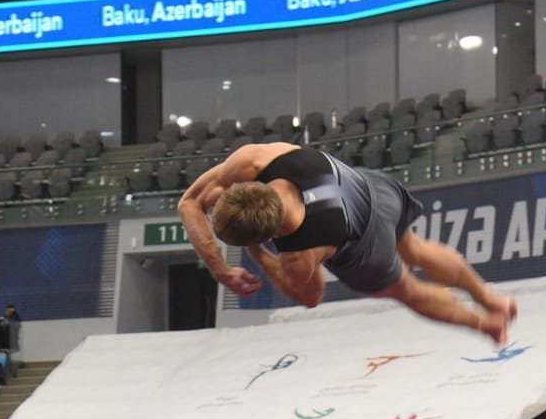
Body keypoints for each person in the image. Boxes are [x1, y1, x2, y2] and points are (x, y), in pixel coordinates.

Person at [177, 142, 515, 344]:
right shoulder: (254, 160)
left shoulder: (299, 253)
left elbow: (311, 297)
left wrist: (255, 256)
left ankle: (487, 324)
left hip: (364, 244)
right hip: (373, 189)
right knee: (415, 249)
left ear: (267, 236)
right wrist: (219, 268)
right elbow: (191, 202)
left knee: (406, 290)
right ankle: (488, 297)